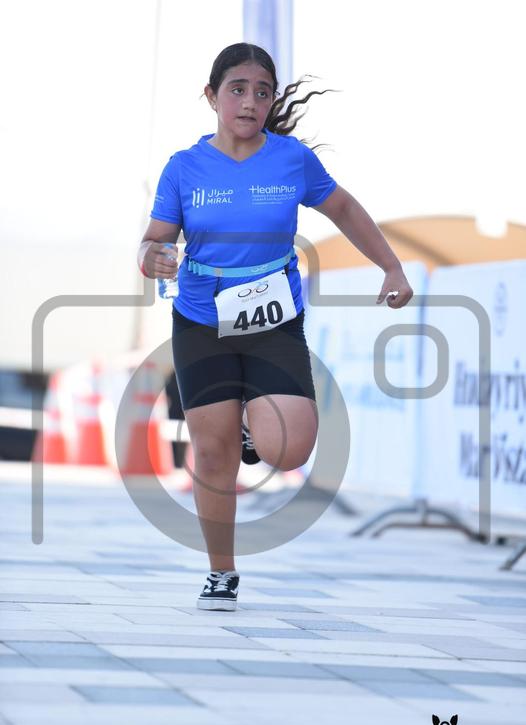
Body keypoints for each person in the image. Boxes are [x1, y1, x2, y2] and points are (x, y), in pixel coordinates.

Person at [137, 42, 413, 612]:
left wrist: (390, 265)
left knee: (290, 449)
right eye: (237, 89)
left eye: (262, 92)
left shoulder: (292, 160)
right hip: (202, 320)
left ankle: (250, 425)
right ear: (212, 96)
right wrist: (153, 258)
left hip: (272, 320)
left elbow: (343, 208)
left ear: (271, 101)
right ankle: (221, 571)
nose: (249, 102)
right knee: (212, 454)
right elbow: (154, 241)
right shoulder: (183, 167)